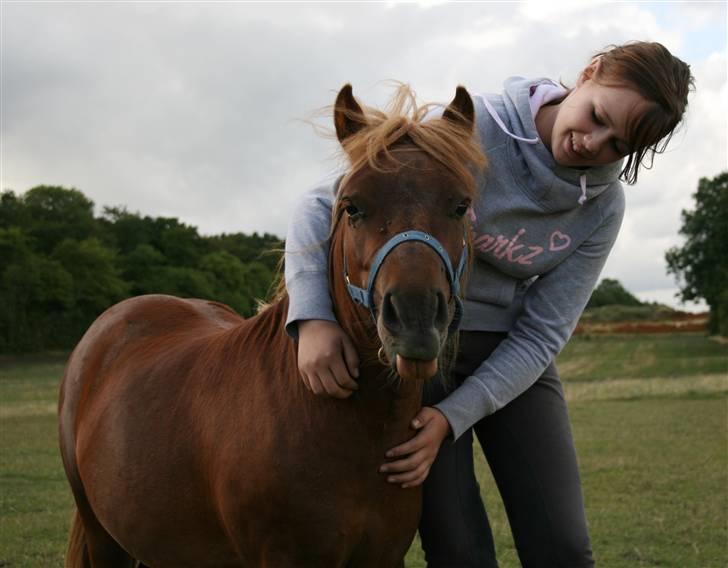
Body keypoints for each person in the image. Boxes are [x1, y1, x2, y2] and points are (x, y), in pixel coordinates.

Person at [283, 41, 694, 567]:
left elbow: (545, 332)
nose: (592, 143)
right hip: (421, 348)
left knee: (563, 546)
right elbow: (324, 202)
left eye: (618, 145)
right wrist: (313, 317)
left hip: (514, 361)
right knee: (459, 550)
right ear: (588, 73)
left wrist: (451, 419)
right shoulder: (465, 130)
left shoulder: (603, 208)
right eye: (597, 117)